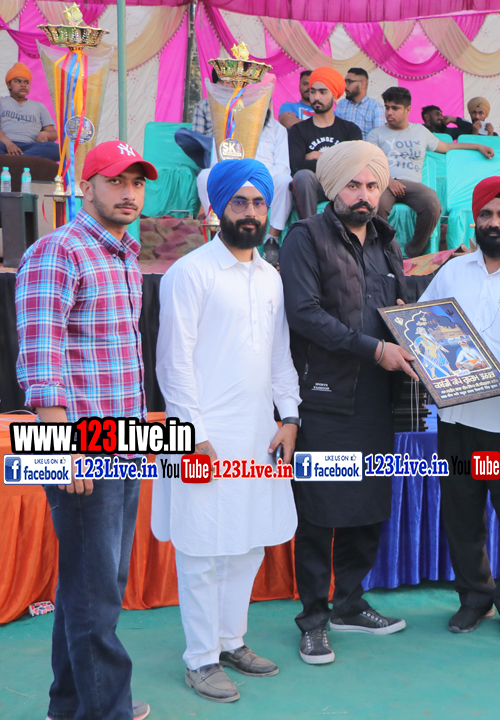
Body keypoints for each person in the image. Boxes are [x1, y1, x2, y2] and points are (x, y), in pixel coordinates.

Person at [15, 140, 158, 720]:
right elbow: (41, 361)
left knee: (94, 583)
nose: (129, 193)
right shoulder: (58, 252)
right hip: (81, 450)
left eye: (137, 183)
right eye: (116, 180)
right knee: (95, 589)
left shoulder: (123, 256)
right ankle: (105, 710)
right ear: (86, 185)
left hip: (124, 445)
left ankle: (71, 704)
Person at [154, 159, 300, 703]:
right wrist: (190, 432)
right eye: (239, 202)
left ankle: (231, 640)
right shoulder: (189, 273)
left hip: (257, 434)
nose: (250, 212)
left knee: (247, 544)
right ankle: (200, 658)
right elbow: (173, 362)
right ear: (218, 208)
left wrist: (290, 416)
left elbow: (280, 357)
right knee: (201, 549)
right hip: (201, 436)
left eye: (258, 202)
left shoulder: (271, 277)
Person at [279, 140, 418, 665]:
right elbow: (304, 314)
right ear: (334, 187)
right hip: (325, 399)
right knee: (319, 512)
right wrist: (375, 349)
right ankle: (313, 619)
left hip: (379, 398)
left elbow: (398, 306)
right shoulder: (305, 236)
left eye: (373, 185)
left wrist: (409, 320)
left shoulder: (386, 240)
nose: (364, 195)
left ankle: (350, 604)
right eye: (354, 185)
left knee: (368, 507)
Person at [418, 176, 500, 638]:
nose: (494, 222)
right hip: (457, 420)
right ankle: (474, 598)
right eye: (486, 214)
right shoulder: (452, 272)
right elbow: (422, 327)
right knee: (462, 514)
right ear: (475, 220)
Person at [365, 86, 495, 258]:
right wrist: (388, 180)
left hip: (412, 185)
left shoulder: (420, 131)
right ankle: (385, 250)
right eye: (387, 107)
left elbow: (447, 147)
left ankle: (413, 252)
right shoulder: (376, 134)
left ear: (407, 110)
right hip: (385, 183)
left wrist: (478, 146)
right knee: (377, 205)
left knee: (433, 205)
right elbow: (369, 164)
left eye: (395, 108)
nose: (389, 112)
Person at [196, 109, 292, 241]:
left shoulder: (277, 129)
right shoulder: (225, 128)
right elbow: (216, 167)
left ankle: (272, 238)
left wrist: (256, 176)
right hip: (233, 179)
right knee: (204, 176)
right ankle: (219, 231)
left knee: (284, 180)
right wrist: (241, 175)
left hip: (265, 180)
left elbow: (283, 167)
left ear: (268, 104)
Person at [288, 67, 363, 219]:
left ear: (334, 95)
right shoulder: (298, 130)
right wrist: (336, 159)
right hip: (314, 186)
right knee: (302, 176)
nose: (316, 97)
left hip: (341, 184)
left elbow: (353, 165)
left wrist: (316, 156)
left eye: (323, 92)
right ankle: (309, 228)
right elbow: (296, 166)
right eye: (313, 92)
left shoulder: (350, 130)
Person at [1, 62, 59, 160]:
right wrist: (8, 144)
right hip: (4, 145)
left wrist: (45, 134)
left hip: (30, 147)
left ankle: (12, 159)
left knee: (57, 149)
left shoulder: (39, 106)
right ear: (9, 85)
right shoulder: (2, 102)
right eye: (18, 81)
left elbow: (53, 133)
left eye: (26, 82)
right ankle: (21, 159)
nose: (23, 85)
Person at [174, 68, 230, 170]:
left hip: (233, 149)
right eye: (221, 81)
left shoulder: (242, 105)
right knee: (181, 134)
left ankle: (215, 147)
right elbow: (197, 137)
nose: (225, 85)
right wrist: (212, 143)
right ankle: (213, 146)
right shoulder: (204, 105)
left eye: (229, 82)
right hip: (208, 149)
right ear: (215, 84)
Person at [335, 67, 384, 137]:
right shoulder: (341, 104)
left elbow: (379, 136)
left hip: (366, 144)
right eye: (345, 82)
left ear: (362, 84)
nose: (345, 86)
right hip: (344, 143)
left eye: (349, 82)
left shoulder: (376, 107)